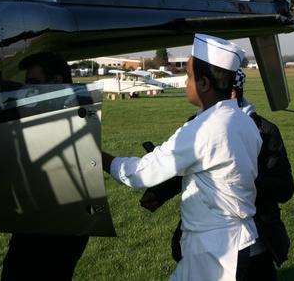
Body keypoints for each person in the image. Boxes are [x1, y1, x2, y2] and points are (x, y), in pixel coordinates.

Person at [102, 34, 262, 280]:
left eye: (188, 76)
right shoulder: (244, 120)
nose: (186, 82)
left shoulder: (205, 129)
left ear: (205, 84)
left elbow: (142, 173)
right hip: (229, 242)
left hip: (215, 251)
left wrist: (99, 158)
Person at [139, 69, 294, 280]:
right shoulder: (198, 124)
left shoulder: (266, 131)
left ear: (231, 95)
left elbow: (285, 188)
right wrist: (159, 193)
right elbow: (188, 167)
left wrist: (238, 178)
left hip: (257, 244)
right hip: (207, 245)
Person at [1, 52, 89, 281]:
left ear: (57, 82)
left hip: (56, 227)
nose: (26, 90)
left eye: (33, 83)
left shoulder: (72, 109)